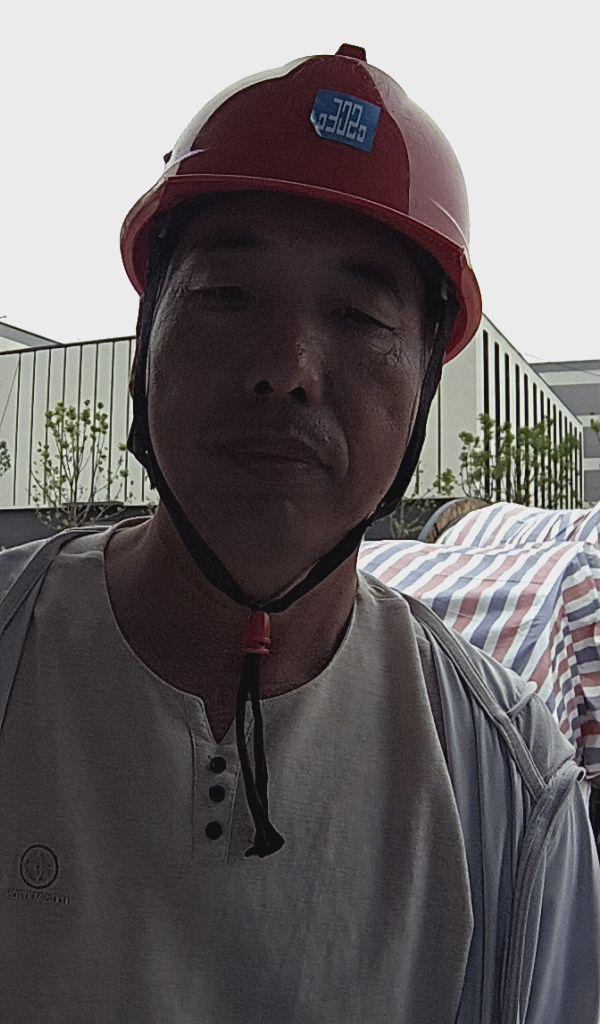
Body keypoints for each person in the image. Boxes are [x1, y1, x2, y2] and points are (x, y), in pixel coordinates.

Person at [0, 44, 599, 1024]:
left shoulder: (509, 789)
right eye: (228, 296)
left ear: (425, 389)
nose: (286, 370)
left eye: (358, 316)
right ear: (146, 339)